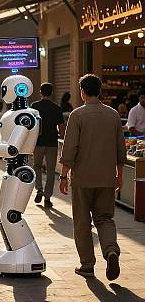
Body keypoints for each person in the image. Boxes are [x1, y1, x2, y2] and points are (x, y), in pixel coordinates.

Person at [59, 74, 126, 280]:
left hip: (83, 179)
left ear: (82, 92)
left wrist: (63, 176)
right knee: (105, 218)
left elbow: (70, 149)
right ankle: (110, 250)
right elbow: (120, 149)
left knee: (82, 223)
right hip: (106, 177)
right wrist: (119, 175)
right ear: (100, 91)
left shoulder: (77, 116)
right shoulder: (113, 115)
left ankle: (87, 265)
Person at [31, 83, 66, 208]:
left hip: (38, 143)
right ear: (52, 93)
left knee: (37, 166)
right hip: (52, 143)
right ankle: (47, 197)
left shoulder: (34, 107)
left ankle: (39, 189)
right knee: (51, 171)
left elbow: (30, 125)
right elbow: (62, 128)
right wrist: (63, 139)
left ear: (40, 92)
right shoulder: (56, 108)